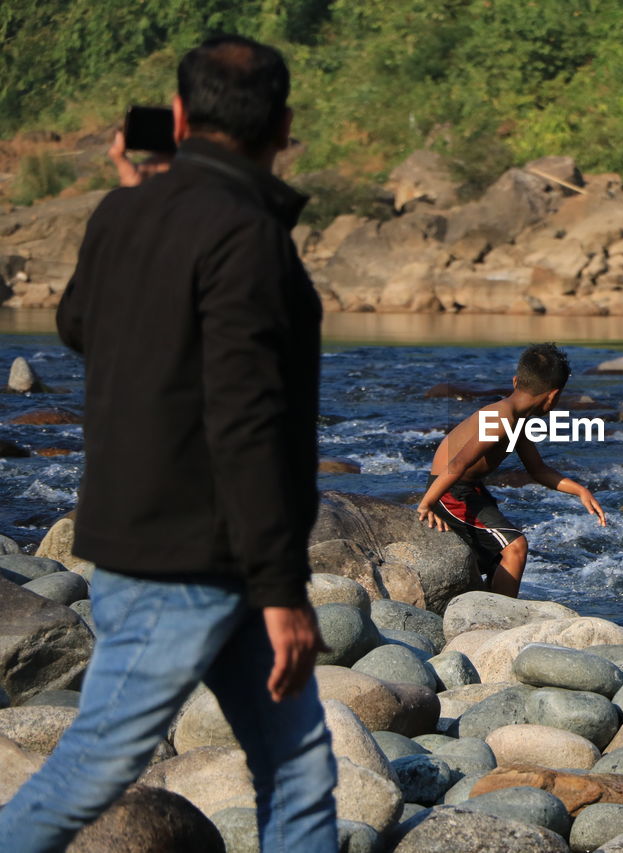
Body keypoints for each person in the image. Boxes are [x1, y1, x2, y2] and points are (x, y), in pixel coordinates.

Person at [0, 35, 338, 851]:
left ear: (180, 116)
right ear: (285, 124)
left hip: (164, 547)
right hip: (189, 563)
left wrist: (136, 197)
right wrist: (283, 590)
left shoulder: (127, 211)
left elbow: (78, 324)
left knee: (301, 771)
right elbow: (247, 419)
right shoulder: (247, 235)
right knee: (95, 763)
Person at [417, 343, 607, 597]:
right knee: (515, 547)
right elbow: (458, 464)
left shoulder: (516, 419)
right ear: (553, 396)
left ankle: (486, 601)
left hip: (467, 488)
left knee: (501, 549)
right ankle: (499, 618)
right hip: (450, 489)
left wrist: (580, 491)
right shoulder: (501, 417)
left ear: (516, 380)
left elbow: (538, 469)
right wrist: (426, 504)